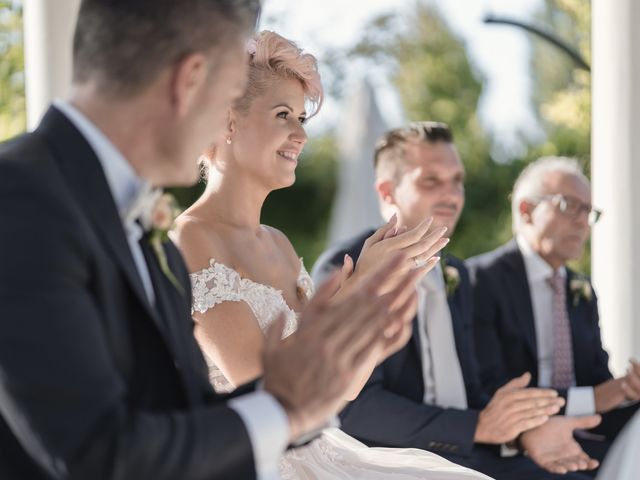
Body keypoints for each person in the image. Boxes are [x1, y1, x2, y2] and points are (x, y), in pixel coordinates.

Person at [0, 2, 426, 479]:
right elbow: (98, 455)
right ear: (192, 81)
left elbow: (184, 419)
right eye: (227, 93)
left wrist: (328, 357)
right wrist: (284, 406)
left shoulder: (141, 229)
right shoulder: (18, 201)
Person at [174, 31, 491, 479]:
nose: (301, 134)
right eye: (283, 114)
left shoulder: (279, 244)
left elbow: (341, 389)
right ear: (229, 120)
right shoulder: (192, 238)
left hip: (322, 447)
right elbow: (256, 383)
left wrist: (380, 301)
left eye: (301, 118)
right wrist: (359, 286)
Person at [312, 122, 601, 479]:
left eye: (457, 180)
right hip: (388, 461)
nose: (451, 194)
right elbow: (354, 407)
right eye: (431, 181)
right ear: (388, 192)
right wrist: (476, 427)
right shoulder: (347, 268)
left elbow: (471, 390)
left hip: (469, 454)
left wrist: (525, 432)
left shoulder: (457, 274)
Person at [467, 156, 640, 468]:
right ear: (526, 210)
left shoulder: (582, 289)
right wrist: (592, 399)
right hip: (518, 446)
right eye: (568, 205)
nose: (582, 221)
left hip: (587, 434)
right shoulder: (481, 279)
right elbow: (489, 389)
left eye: (589, 211)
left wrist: (626, 390)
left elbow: (596, 377)